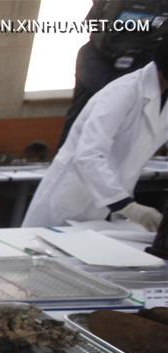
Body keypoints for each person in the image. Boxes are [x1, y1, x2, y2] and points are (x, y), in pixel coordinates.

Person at [22, 37, 168, 231]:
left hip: (107, 206)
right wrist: (126, 206)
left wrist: (122, 204)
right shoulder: (123, 92)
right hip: (70, 201)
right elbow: (89, 154)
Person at [58, 1, 168, 147]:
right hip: (98, 58)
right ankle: (69, 158)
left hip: (139, 59)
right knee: (87, 111)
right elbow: (92, 25)